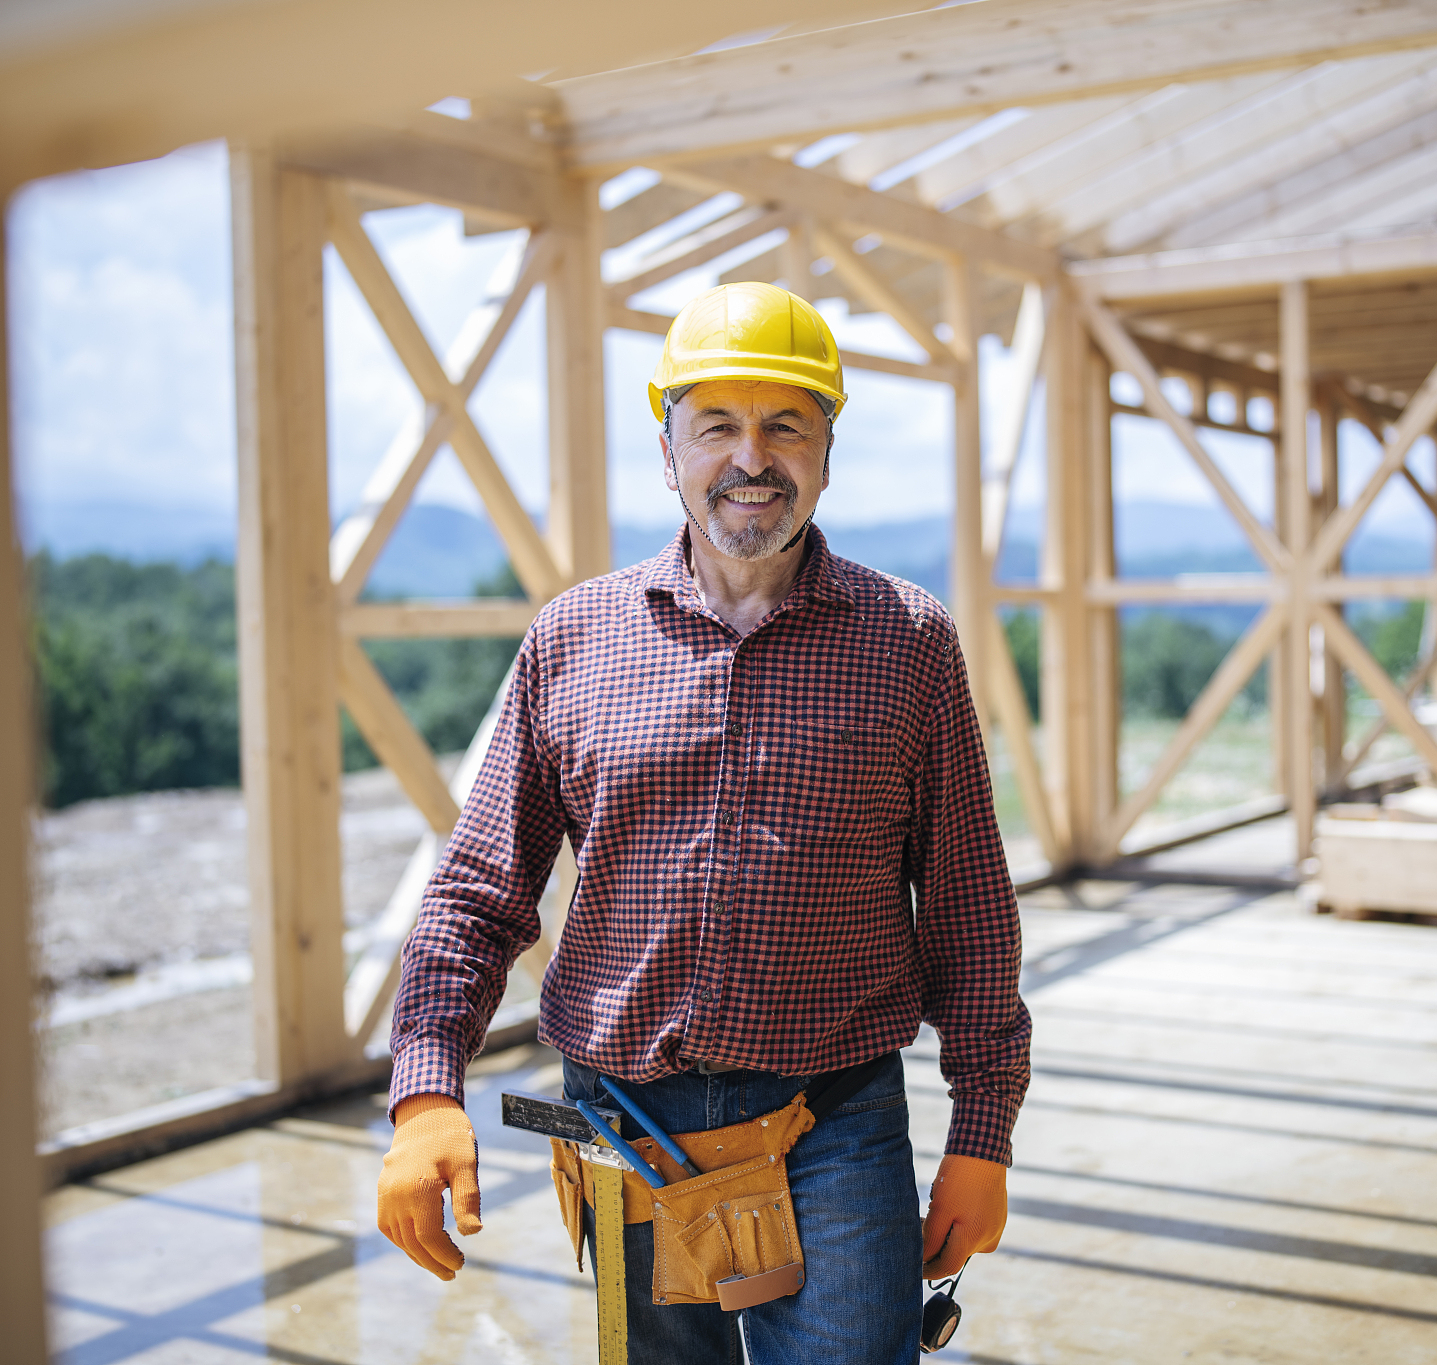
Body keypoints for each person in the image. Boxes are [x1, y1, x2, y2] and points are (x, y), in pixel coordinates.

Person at [374, 281, 1029, 1364]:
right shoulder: (572, 639)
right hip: (624, 1123)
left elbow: (968, 907)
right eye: (716, 424)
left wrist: (982, 1131)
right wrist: (425, 1093)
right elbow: (479, 890)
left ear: (827, 450)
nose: (750, 457)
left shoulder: (909, 643)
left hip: (834, 1123)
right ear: (667, 446)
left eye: (786, 425)